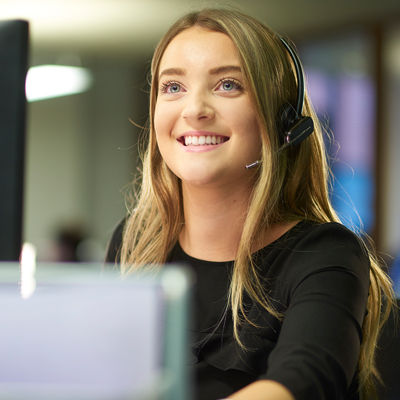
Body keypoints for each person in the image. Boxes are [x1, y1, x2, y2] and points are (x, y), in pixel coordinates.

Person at [106, 7, 395, 400]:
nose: (194, 110)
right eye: (173, 87)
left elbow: (304, 380)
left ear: (280, 121)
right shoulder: (135, 243)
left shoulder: (325, 253)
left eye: (227, 85)